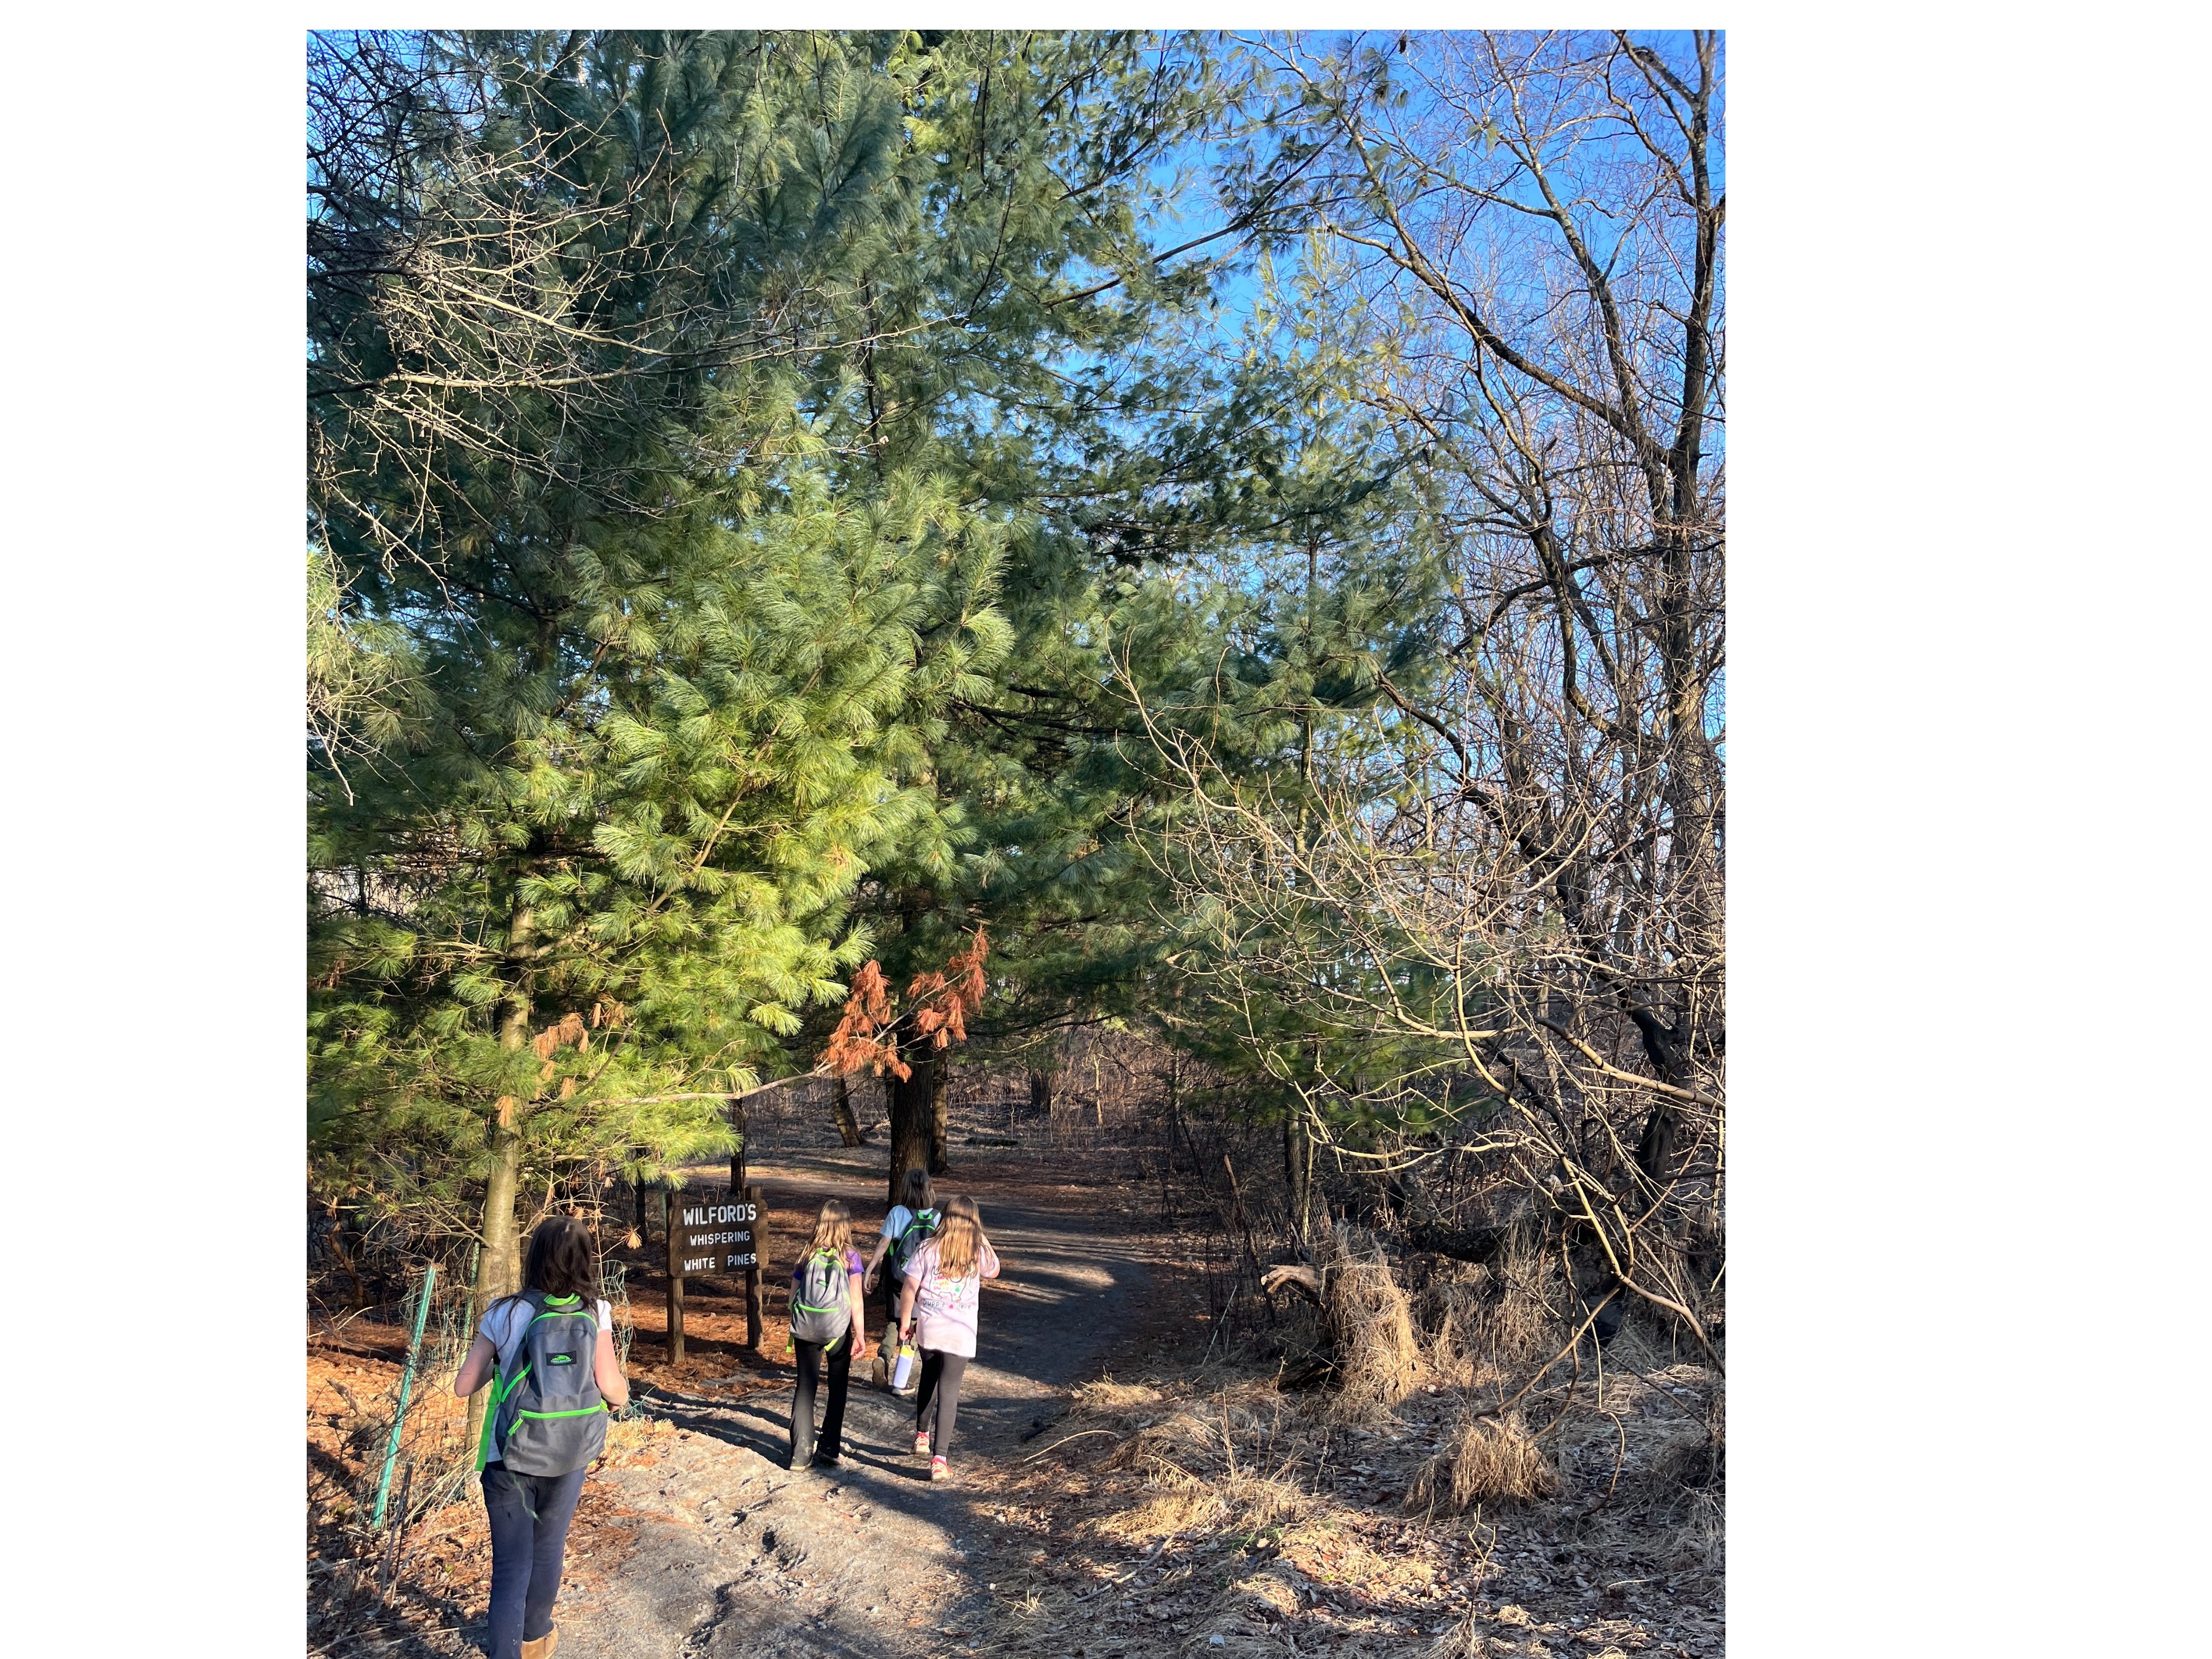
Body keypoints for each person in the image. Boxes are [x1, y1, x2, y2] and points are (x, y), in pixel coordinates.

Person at [453, 1216, 629, 1659]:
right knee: (548, 1549)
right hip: (569, 1450)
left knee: (511, 1567)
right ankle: (535, 1641)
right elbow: (612, 1387)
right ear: (586, 1260)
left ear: (533, 1257)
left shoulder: (504, 1312)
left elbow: (463, 1385)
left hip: (508, 1455)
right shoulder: (595, 1311)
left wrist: (500, 1363)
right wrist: (615, 1399)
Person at [895, 1193, 1000, 1482]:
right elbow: (995, 1269)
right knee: (950, 1390)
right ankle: (940, 1460)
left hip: (930, 1328)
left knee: (929, 1377)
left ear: (945, 1218)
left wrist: (906, 1322)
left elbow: (909, 1288)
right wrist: (980, 1235)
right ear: (974, 1223)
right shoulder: (977, 1252)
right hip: (961, 1332)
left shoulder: (927, 1248)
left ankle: (921, 1435)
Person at [786, 1198, 869, 1471]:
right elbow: (856, 1300)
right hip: (838, 1331)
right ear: (846, 1225)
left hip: (806, 1329)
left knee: (805, 1387)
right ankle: (830, 1447)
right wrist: (860, 1334)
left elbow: (792, 1297)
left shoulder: (806, 1253)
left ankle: (800, 1454)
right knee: (838, 1386)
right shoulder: (850, 1256)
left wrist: (801, 1318)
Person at [864, 1168, 937, 1381]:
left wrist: (869, 1270)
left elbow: (884, 1244)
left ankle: (884, 1357)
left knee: (893, 1322)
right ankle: (903, 1374)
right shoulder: (937, 1217)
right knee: (912, 1325)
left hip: (897, 1279)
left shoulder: (897, 1213)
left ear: (905, 1189)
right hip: (922, 1283)